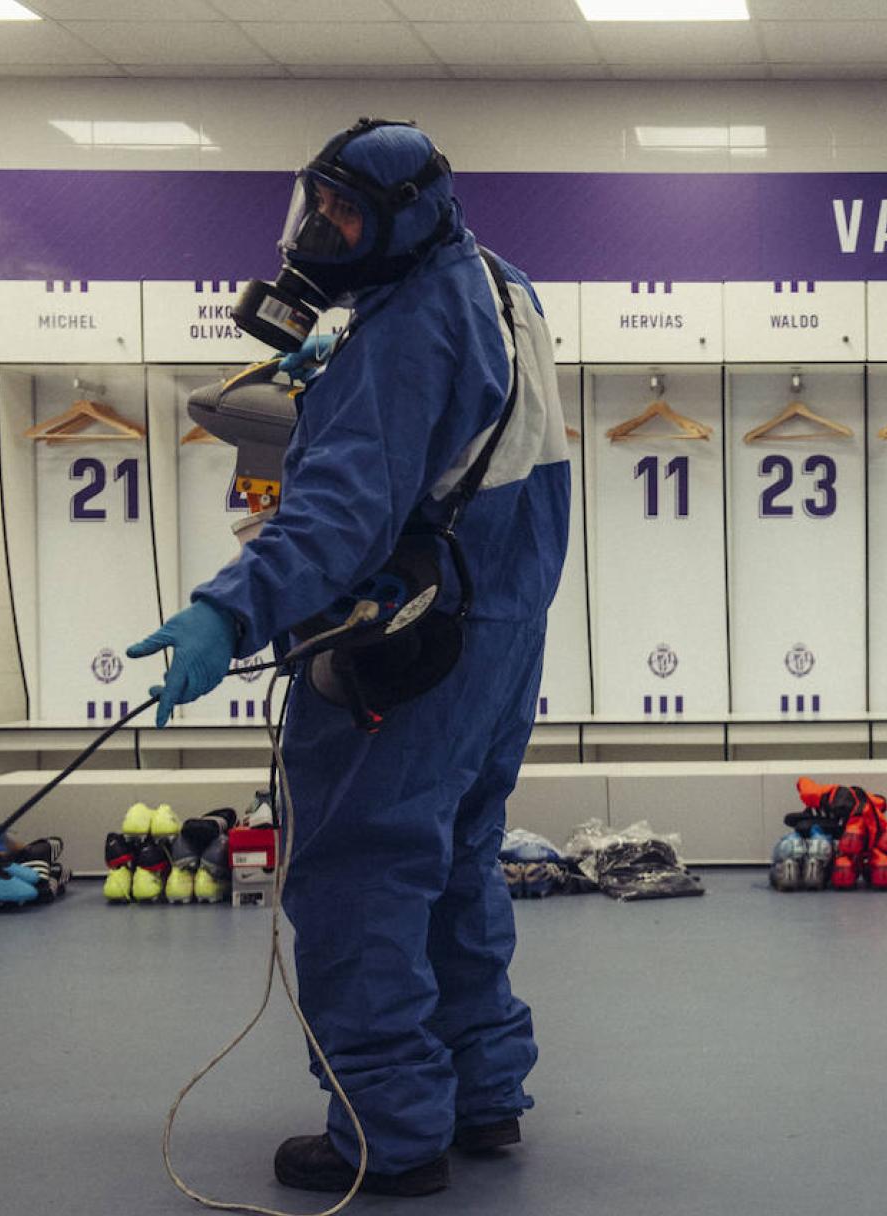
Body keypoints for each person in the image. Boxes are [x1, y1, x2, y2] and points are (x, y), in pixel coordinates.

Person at [128, 119, 572, 1198]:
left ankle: (387, 1127)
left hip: (415, 639)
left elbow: (337, 521)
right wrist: (336, 368)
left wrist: (224, 615)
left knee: (360, 875)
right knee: (455, 860)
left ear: (404, 219)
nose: (323, 231)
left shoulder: (408, 328)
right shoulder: (499, 284)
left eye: (346, 214)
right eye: (316, 207)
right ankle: (481, 1094)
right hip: (502, 624)